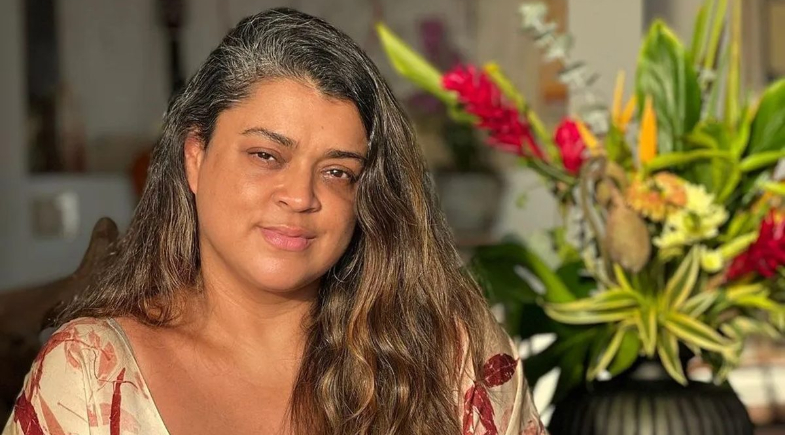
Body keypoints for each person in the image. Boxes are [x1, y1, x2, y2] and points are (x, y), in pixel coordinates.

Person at [3, 8, 547, 435]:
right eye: (266, 155)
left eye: (337, 171)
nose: (300, 196)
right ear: (195, 158)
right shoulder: (92, 374)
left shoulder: (453, 359)